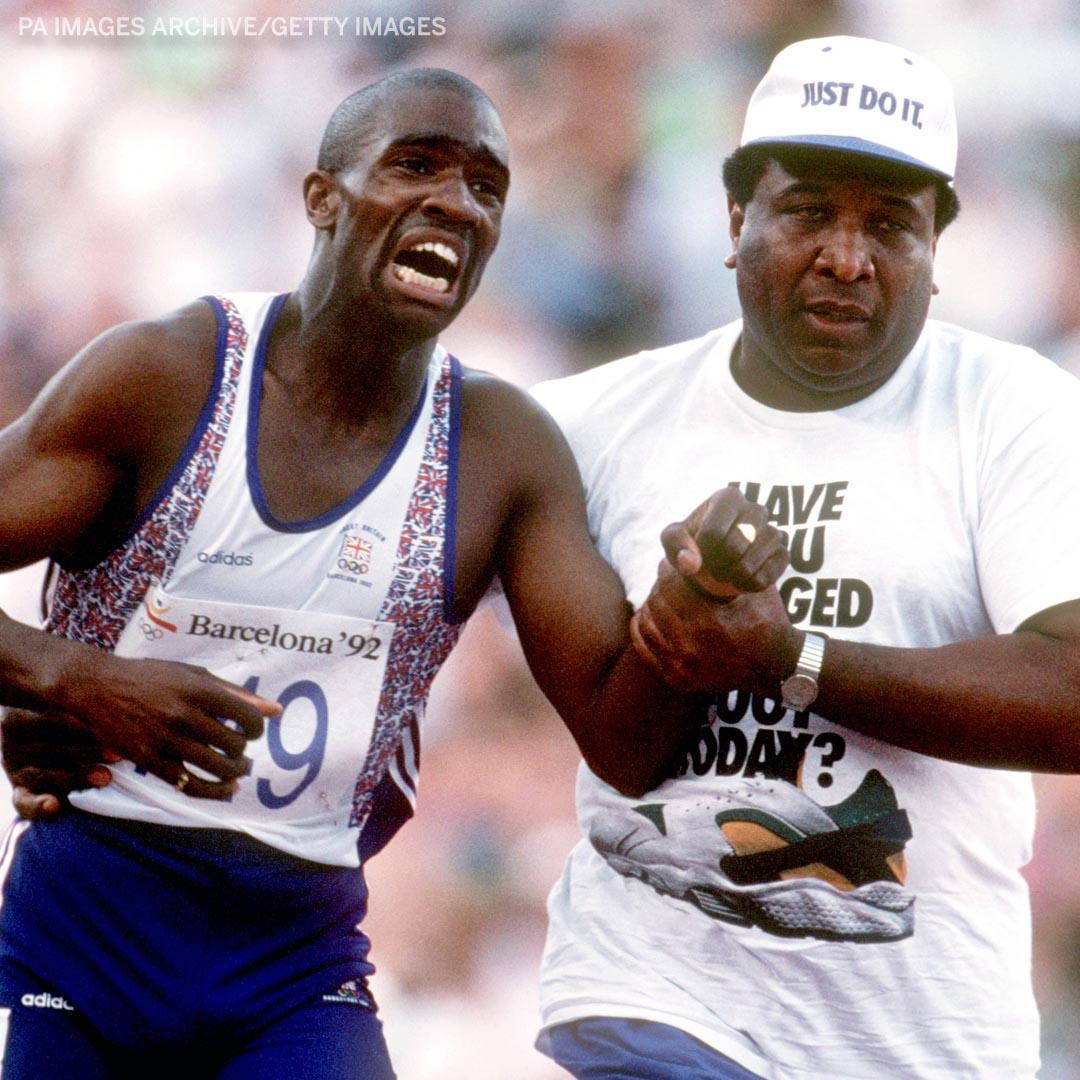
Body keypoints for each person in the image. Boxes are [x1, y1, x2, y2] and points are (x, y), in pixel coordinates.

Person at [0, 68, 785, 1078]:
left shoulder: (500, 448)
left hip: (294, 951)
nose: (455, 202)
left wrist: (695, 604)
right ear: (322, 197)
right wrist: (77, 682)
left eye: (486, 187)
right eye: (416, 165)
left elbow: (624, 741)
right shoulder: (167, 376)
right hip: (90, 927)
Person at [530, 35, 1080, 1080]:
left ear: (939, 243)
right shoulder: (591, 422)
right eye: (807, 210)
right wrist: (672, 630)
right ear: (736, 216)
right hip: (654, 1001)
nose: (845, 256)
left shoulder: (1015, 412)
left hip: (922, 1037)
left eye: (889, 225)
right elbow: (616, 739)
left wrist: (794, 656)